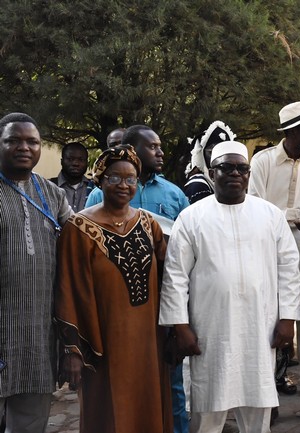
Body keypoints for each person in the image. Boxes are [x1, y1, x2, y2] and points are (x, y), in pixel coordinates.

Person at [159, 140, 300, 433]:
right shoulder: (191, 217)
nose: (235, 174)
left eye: (242, 168)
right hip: (210, 330)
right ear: (213, 173)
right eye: (226, 167)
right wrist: (180, 326)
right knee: (208, 411)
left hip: (259, 328)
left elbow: (289, 269)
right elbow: (175, 276)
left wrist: (288, 319)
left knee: (257, 409)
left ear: (249, 174)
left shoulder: (270, 215)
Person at [55, 144, 172, 433]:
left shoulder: (148, 224)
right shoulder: (79, 227)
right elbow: (68, 287)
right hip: (104, 344)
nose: (124, 185)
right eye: (115, 178)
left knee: (149, 407)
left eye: (130, 178)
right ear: (100, 179)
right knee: (107, 415)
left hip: (148, 341)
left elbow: (168, 277)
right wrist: (73, 349)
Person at [85, 125, 190, 433]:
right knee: (117, 385)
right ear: (133, 148)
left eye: (160, 146)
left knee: (171, 385)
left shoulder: (174, 193)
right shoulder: (97, 194)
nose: (160, 152)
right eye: (153, 146)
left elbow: (182, 257)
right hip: (115, 312)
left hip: (161, 304)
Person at [248, 101, 300, 424]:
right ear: (293, 130)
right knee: (271, 329)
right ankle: (268, 401)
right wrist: (294, 215)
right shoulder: (263, 161)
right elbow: (253, 208)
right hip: (270, 256)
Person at [0, 112, 72, 433]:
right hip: (2, 327)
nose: (24, 147)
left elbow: (81, 242)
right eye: (13, 140)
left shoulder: (52, 194)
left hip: (37, 336)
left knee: (30, 422)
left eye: (32, 141)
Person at [184, 120, 236, 204]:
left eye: (225, 153)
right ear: (202, 155)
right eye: (212, 153)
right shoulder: (198, 185)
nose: (220, 158)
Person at [49, 141, 94, 212]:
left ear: (87, 163)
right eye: (70, 159)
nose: (75, 163)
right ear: (62, 161)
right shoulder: (48, 187)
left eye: (81, 160)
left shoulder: (93, 188)